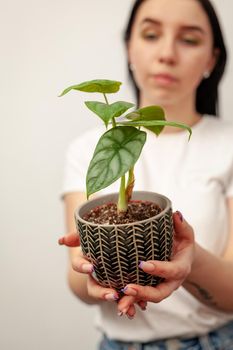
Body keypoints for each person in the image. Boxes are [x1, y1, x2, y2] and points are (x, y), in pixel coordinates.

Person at [59, 0, 233, 349]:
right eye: (151, 34)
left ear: (212, 59)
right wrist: (94, 277)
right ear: (129, 47)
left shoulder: (228, 145)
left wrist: (191, 261)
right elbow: (76, 277)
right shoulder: (86, 148)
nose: (167, 53)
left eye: (189, 39)